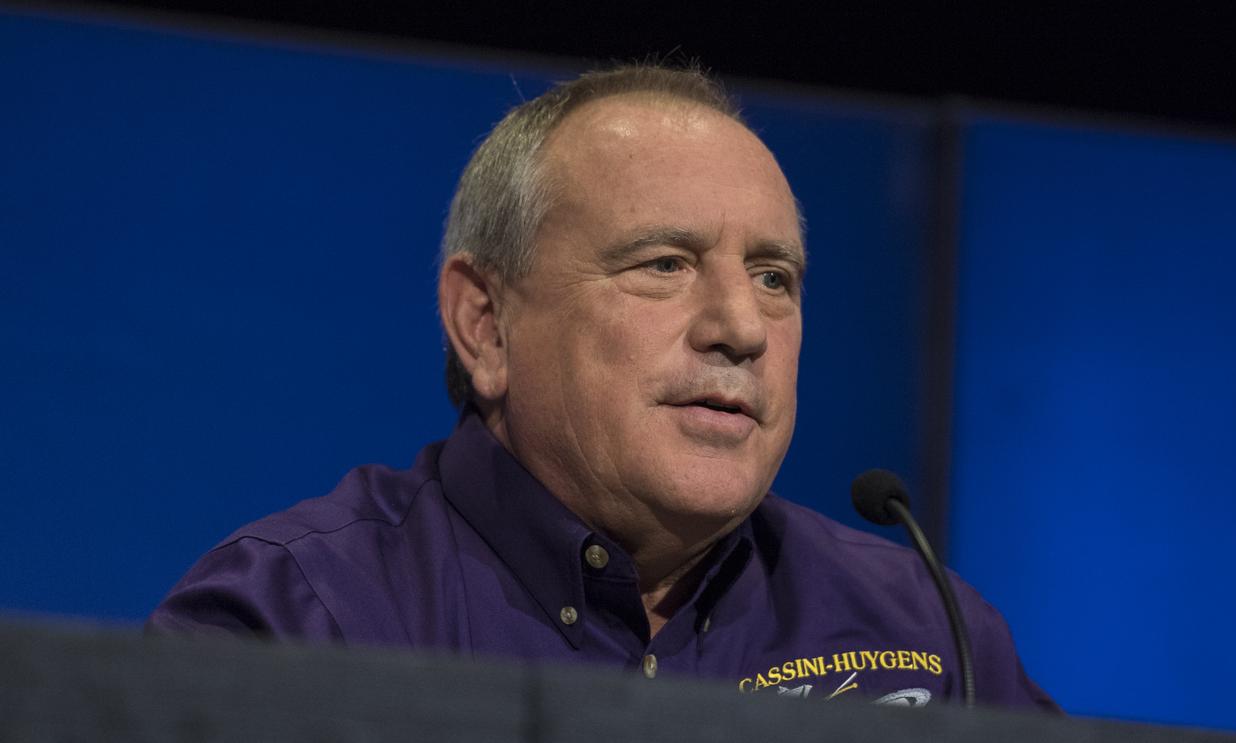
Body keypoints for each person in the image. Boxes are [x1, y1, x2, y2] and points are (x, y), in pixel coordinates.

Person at [149, 64, 1056, 710]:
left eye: (774, 277)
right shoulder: (300, 620)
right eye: (664, 264)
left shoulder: (928, 631)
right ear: (485, 325)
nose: (742, 327)